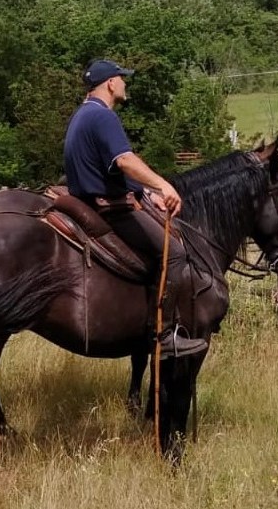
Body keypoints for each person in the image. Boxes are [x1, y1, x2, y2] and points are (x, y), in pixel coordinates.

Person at [63, 58, 208, 360]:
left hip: (89, 203)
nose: (125, 83)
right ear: (110, 83)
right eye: (122, 78)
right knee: (175, 253)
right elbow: (124, 161)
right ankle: (163, 336)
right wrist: (163, 186)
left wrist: (145, 192)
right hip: (110, 210)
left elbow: (106, 171)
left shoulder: (82, 114)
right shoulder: (103, 116)